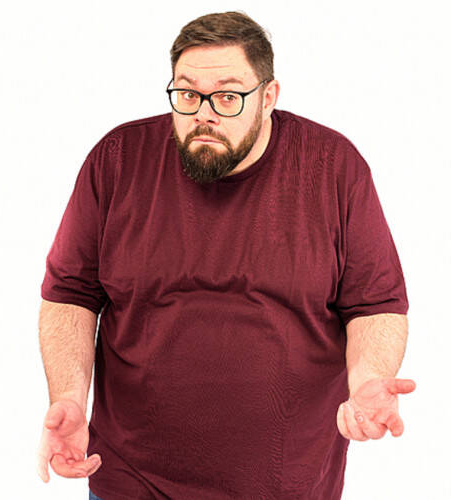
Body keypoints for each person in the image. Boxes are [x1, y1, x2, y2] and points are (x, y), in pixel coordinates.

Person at [36, 10, 416, 500]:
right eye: (188, 93)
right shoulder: (117, 160)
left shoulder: (333, 166)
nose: (204, 113)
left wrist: (368, 378)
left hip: (288, 484)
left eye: (228, 96)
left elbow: (375, 304)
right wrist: (68, 397)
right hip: (131, 480)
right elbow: (70, 295)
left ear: (268, 97)